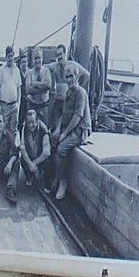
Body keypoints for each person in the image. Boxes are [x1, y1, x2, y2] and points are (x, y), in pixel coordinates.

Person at [52, 63, 89, 201]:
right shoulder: (68, 92)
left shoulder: (80, 92)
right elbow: (64, 114)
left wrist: (64, 134)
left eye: (71, 76)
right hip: (69, 127)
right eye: (67, 77)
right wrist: (57, 130)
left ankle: (63, 182)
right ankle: (56, 174)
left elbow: (77, 117)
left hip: (80, 130)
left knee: (61, 149)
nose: (69, 79)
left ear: (77, 76)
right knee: (51, 140)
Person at [49, 44, 90, 137]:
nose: (59, 57)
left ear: (65, 54)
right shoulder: (55, 66)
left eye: (61, 54)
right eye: (57, 55)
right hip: (57, 102)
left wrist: (78, 88)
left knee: (66, 126)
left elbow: (87, 75)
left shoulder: (72, 65)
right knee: (55, 127)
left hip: (68, 102)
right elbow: (45, 66)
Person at [19, 107, 53, 192]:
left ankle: (47, 184)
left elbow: (47, 152)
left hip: (41, 157)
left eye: (33, 122)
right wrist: (30, 163)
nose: (31, 125)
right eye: (29, 122)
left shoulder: (44, 130)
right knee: (22, 159)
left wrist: (35, 163)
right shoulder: (24, 128)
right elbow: (22, 148)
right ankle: (30, 176)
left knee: (48, 163)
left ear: (37, 120)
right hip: (31, 155)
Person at [0, 45, 23, 136]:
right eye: (9, 56)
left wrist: (18, 104)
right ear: (6, 57)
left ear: (14, 56)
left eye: (12, 56)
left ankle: (13, 149)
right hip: (4, 105)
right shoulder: (1, 69)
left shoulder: (17, 70)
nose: (10, 58)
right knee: (3, 129)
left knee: (13, 130)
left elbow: (19, 88)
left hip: (14, 105)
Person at [25, 48, 53, 133]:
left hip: (44, 105)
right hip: (32, 105)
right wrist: (42, 87)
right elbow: (28, 90)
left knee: (44, 130)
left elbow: (48, 85)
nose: (37, 60)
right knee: (30, 129)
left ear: (42, 58)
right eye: (35, 58)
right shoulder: (29, 73)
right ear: (32, 60)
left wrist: (35, 84)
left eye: (39, 58)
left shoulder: (46, 71)